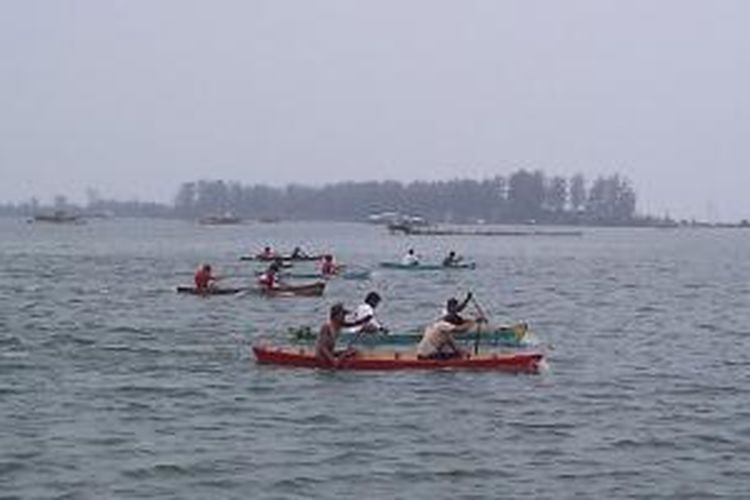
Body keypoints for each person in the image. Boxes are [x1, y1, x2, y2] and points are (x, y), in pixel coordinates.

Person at [416, 293, 484, 360]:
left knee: (453, 353)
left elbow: (455, 348)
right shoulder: (442, 325)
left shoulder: (446, 334)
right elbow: (460, 329)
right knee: (452, 356)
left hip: (427, 353)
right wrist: (474, 322)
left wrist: (465, 353)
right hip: (426, 355)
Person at [316, 303, 373, 368]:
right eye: (342, 315)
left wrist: (365, 323)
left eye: (344, 314)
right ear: (335, 316)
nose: (344, 317)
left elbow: (355, 324)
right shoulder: (326, 327)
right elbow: (323, 348)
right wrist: (335, 360)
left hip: (331, 353)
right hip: (322, 356)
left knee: (353, 351)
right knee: (347, 353)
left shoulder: (339, 325)